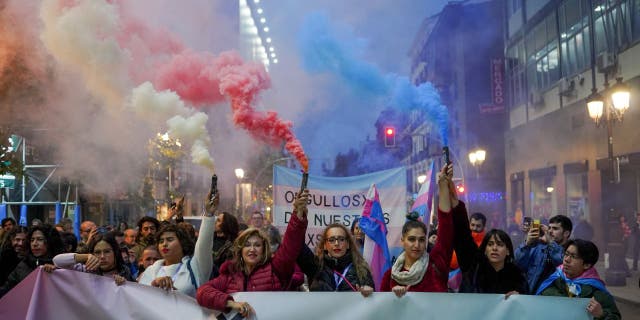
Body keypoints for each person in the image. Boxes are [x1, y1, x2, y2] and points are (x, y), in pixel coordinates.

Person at [196, 190, 309, 317]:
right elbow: (202, 292)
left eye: (257, 245)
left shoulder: (276, 270)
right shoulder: (230, 275)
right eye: (247, 245)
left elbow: (291, 245)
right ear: (240, 250)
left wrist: (298, 214)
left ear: (264, 249)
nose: (252, 249)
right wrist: (232, 303)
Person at [380, 164, 454, 296]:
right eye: (411, 239)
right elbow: (382, 310)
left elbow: (446, 226)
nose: (417, 245)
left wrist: (443, 185)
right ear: (402, 241)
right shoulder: (389, 277)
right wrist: (392, 298)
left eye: (421, 240)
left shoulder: (436, 264)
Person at [137, 193, 216, 297]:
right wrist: (154, 285)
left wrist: (209, 215)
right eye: (161, 241)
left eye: (170, 240)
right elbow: (139, 299)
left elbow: (204, 245)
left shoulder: (195, 267)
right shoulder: (150, 271)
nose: (164, 244)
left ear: (182, 243)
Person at [537, 239, 621, 320]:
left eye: (573, 256)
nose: (566, 260)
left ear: (587, 265)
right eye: (566, 254)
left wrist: (601, 315)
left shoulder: (597, 291)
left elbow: (615, 317)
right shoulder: (553, 280)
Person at [296, 223, 374, 296]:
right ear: (325, 245)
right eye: (331, 240)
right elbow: (296, 243)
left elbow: (371, 298)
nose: (336, 243)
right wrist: (299, 218)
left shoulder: (361, 269)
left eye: (341, 239)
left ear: (348, 244)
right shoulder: (315, 266)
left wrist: (368, 292)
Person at [457, 228, 527, 295]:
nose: (494, 248)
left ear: (508, 251)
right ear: (485, 250)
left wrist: (519, 296)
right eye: (490, 244)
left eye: (500, 245)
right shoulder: (474, 274)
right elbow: (464, 300)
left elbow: (526, 299)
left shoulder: (517, 275)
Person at [0, 224, 63, 297]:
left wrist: (57, 272)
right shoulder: (23, 265)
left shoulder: (61, 264)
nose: (34, 244)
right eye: (32, 240)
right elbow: (7, 289)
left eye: (39, 239)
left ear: (50, 241)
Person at [514, 214, 572, 294]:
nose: (550, 231)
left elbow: (562, 263)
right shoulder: (539, 247)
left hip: (554, 299)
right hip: (532, 296)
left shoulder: (571, 251)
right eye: (549, 228)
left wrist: (550, 242)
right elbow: (518, 264)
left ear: (566, 233)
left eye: (555, 228)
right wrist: (527, 244)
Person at [51, 233, 134, 285]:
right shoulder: (86, 270)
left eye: (107, 251)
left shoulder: (125, 272)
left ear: (115, 252)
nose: (102, 256)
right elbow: (57, 261)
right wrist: (86, 256)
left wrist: (124, 284)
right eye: (97, 252)